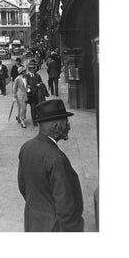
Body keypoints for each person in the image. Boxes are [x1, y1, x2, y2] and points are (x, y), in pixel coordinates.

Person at [17, 98, 84, 232]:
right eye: (66, 122)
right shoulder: (57, 158)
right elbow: (66, 206)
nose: (69, 126)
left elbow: (23, 186)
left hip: (33, 223)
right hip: (54, 227)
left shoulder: (26, 147)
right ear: (55, 126)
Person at [25, 59, 49, 125]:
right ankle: (34, 121)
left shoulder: (38, 76)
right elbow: (24, 84)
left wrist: (40, 84)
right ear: (29, 69)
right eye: (32, 68)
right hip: (30, 95)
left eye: (34, 68)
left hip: (37, 95)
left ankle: (37, 117)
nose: (34, 69)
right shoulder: (26, 76)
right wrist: (28, 87)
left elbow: (41, 82)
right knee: (33, 108)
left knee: (37, 107)